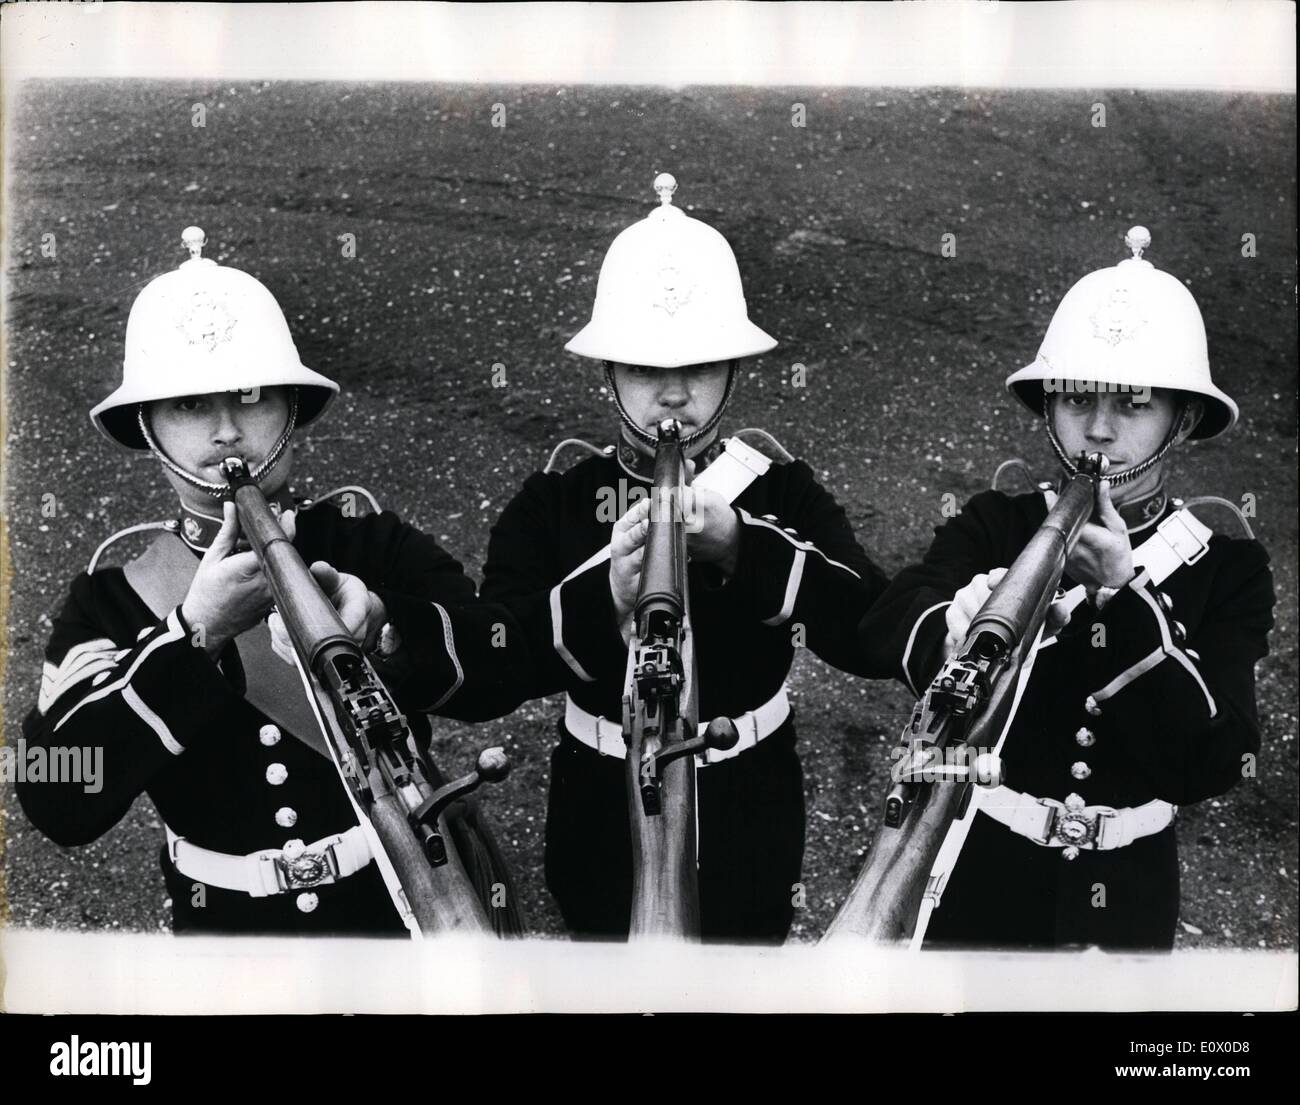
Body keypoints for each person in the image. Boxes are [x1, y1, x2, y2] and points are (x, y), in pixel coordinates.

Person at [19, 227, 529, 936]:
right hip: (225, 941)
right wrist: (191, 634)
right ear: (150, 428)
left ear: (290, 406)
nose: (227, 431)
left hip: (395, 914)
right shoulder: (108, 601)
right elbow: (56, 795)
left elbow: (505, 661)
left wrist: (384, 626)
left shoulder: (366, 541)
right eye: (190, 405)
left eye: (251, 395)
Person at [480, 174, 890, 942]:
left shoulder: (782, 491)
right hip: (598, 806)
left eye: (698, 366)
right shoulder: (559, 501)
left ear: (734, 369)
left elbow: (870, 627)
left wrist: (743, 544)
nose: (673, 395)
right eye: (644, 368)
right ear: (608, 372)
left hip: (749, 806)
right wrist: (604, 593)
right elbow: (490, 658)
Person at [859, 226, 1275, 950]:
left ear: (1182, 419)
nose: (1101, 431)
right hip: (982, 876)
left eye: (1135, 405)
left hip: (1129, 899)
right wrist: (956, 628)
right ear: (1048, 408)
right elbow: (891, 621)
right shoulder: (999, 522)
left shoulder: (1228, 567)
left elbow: (1214, 755)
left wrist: (1125, 589)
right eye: (1077, 400)